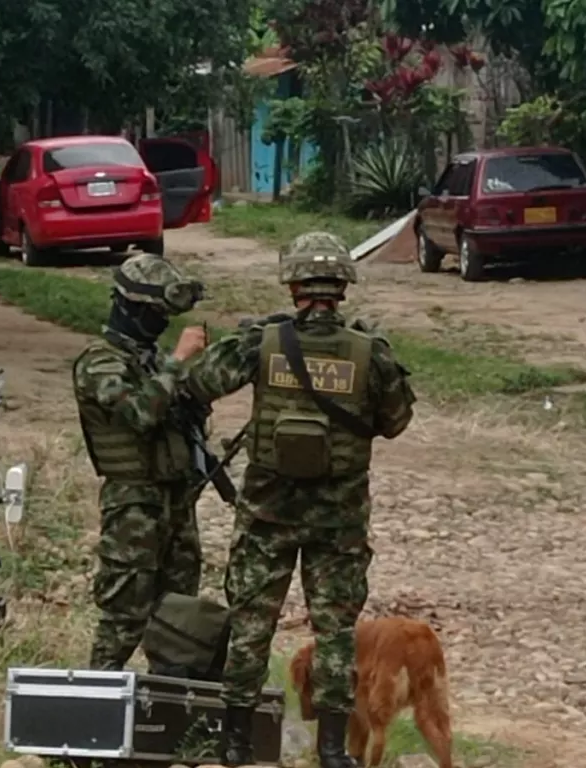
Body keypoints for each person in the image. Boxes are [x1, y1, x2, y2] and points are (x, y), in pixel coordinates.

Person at [180, 232, 418, 768]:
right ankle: (332, 751)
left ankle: (235, 743)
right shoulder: (369, 352)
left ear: (292, 285)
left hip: (268, 513)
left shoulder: (263, 343)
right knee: (334, 632)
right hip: (338, 520)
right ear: (342, 287)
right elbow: (395, 422)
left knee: (250, 627)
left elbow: (199, 384)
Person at [73, 253, 211, 671]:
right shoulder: (100, 362)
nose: (162, 323)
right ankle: (95, 699)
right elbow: (138, 414)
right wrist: (177, 361)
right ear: (129, 307)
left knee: (178, 615)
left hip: (174, 499)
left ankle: (165, 708)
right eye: (155, 314)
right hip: (134, 504)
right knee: (126, 612)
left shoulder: (146, 358)